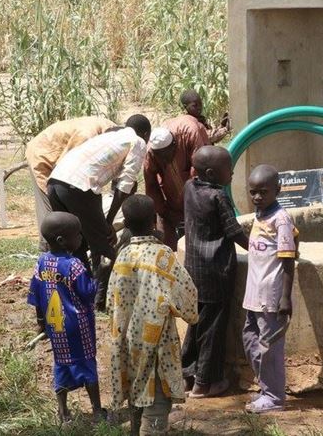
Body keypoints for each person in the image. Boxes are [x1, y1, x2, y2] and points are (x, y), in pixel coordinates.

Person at [107, 195, 198, 436]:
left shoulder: (122, 256)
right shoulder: (164, 256)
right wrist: (188, 315)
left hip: (127, 339)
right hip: (157, 342)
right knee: (157, 400)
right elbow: (188, 295)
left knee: (136, 394)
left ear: (125, 224)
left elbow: (110, 301)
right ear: (154, 221)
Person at [181, 146, 249, 398]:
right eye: (227, 168)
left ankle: (186, 375)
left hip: (194, 271)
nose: (231, 172)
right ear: (211, 173)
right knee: (212, 331)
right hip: (217, 273)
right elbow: (234, 232)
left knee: (195, 324)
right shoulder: (218, 197)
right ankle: (204, 384)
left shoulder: (189, 188)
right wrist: (259, 246)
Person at [27, 211, 105, 424]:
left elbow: (35, 295)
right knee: (87, 362)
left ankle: (63, 412)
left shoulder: (41, 263)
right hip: (78, 325)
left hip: (56, 325)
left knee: (61, 363)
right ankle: (98, 410)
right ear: (62, 240)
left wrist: (41, 324)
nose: (81, 238)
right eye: (78, 234)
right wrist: (99, 272)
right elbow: (88, 293)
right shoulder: (74, 265)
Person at [48, 115, 150, 275]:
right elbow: (125, 185)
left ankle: (80, 293)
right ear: (146, 134)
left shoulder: (111, 135)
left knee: (76, 244)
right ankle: (101, 299)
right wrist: (107, 223)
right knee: (104, 250)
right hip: (79, 185)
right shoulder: (138, 141)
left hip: (55, 181)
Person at [242, 164, 297, 414]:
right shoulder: (260, 215)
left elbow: (287, 260)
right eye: (252, 192)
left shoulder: (280, 219)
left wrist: (285, 297)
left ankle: (275, 397)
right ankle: (267, 389)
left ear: (277, 189)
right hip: (254, 295)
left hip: (271, 297)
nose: (257, 197)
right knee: (251, 341)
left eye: (263, 192)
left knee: (270, 348)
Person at [25, 116, 114, 249]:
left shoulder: (111, 132)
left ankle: (71, 248)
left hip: (57, 159)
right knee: (52, 212)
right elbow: (66, 168)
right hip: (44, 156)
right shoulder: (88, 136)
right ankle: (49, 253)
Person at [143, 104, 214, 250]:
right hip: (172, 198)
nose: (164, 160)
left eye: (166, 155)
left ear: (174, 144)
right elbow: (150, 185)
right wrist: (164, 211)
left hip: (195, 182)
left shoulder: (191, 133)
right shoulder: (151, 151)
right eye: (160, 157)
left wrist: (191, 207)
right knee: (167, 238)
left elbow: (199, 173)